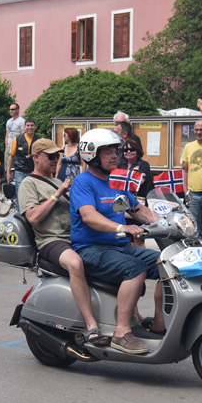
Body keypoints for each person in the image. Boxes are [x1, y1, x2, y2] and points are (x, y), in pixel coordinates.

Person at [70, 128, 165, 354]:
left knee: (169, 263)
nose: (116, 156)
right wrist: (122, 227)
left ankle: (160, 322)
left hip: (118, 247)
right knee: (135, 269)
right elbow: (89, 216)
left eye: (116, 151)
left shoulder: (116, 182)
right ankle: (122, 332)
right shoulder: (83, 183)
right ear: (92, 155)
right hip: (90, 249)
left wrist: (170, 221)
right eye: (109, 152)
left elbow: (140, 209)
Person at [18, 138, 103, 346]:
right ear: (36, 157)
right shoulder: (29, 183)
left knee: (117, 257)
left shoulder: (59, 181)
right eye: (51, 156)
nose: (56, 160)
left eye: (58, 156)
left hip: (75, 238)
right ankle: (91, 324)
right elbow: (33, 218)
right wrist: (57, 194)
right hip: (51, 241)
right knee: (75, 263)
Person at [7, 119, 40, 205]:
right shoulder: (17, 139)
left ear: (35, 127)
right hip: (20, 171)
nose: (30, 127)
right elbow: (11, 157)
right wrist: (8, 172)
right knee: (20, 192)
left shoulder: (39, 140)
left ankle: (31, 212)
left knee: (33, 193)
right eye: (28, 125)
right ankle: (19, 212)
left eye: (32, 125)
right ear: (25, 127)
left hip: (34, 171)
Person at [5, 102, 25, 171]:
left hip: (17, 146)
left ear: (18, 110)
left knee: (16, 166)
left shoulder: (22, 121)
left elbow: (23, 134)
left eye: (13, 109)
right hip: (9, 146)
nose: (11, 111)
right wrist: (6, 145)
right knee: (8, 167)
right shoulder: (8, 121)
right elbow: (7, 134)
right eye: (10, 109)